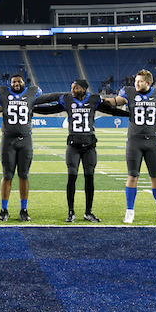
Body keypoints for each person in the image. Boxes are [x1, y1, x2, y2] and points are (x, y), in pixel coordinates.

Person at [0, 74, 61, 221]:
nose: (16, 84)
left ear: (24, 82)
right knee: (7, 175)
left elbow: (50, 97)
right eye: (13, 82)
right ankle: (3, 209)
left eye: (19, 81)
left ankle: (23, 209)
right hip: (8, 140)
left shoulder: (32, 93)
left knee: (24, 175)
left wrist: (67, 95)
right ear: (10, 83)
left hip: (25, 140)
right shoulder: (3, 93)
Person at [41, 78, 127, 222]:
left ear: (84, 89)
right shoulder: (68, 100)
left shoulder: (94, 99)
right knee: (72, 178)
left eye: (75, 88)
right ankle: (71, 211)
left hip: (89, 146)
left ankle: (88, 212)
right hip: (73, 146)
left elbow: (110, 111)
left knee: (89, 179)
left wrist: (131, 115)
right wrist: (30, 108)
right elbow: (50, 110)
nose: (72, 90)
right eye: (72, 87)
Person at [105, 69, 156, 224]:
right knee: (132, 176)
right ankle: (129, 211)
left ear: (148, 83)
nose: (136, 83)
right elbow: (115, 101)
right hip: (134, 141)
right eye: (135, 81)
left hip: (152, 141)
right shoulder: (129, 92)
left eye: (140, 81)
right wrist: (100, 100)